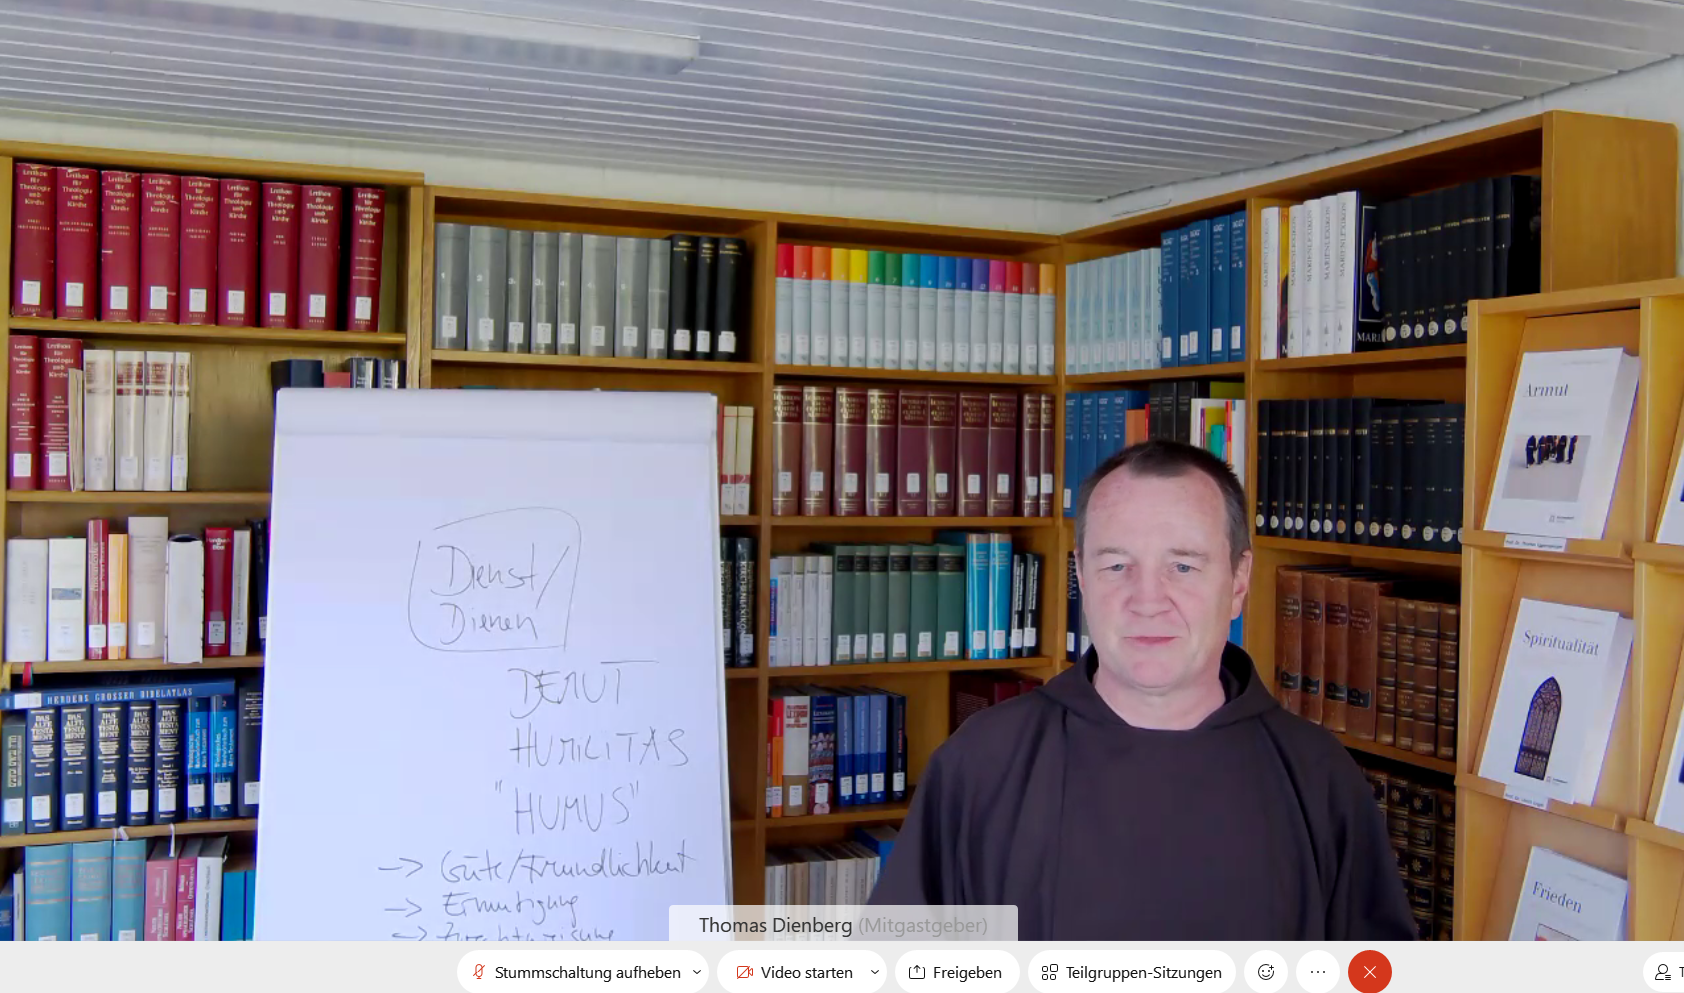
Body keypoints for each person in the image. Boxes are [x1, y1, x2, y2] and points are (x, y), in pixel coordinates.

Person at [868, 440, 1415, 940]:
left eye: (1183, 566)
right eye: (1117, 565)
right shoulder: (983, 762)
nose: (1147, 600)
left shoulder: (1318, 776)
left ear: (1238, 581)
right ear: (1081, 576)